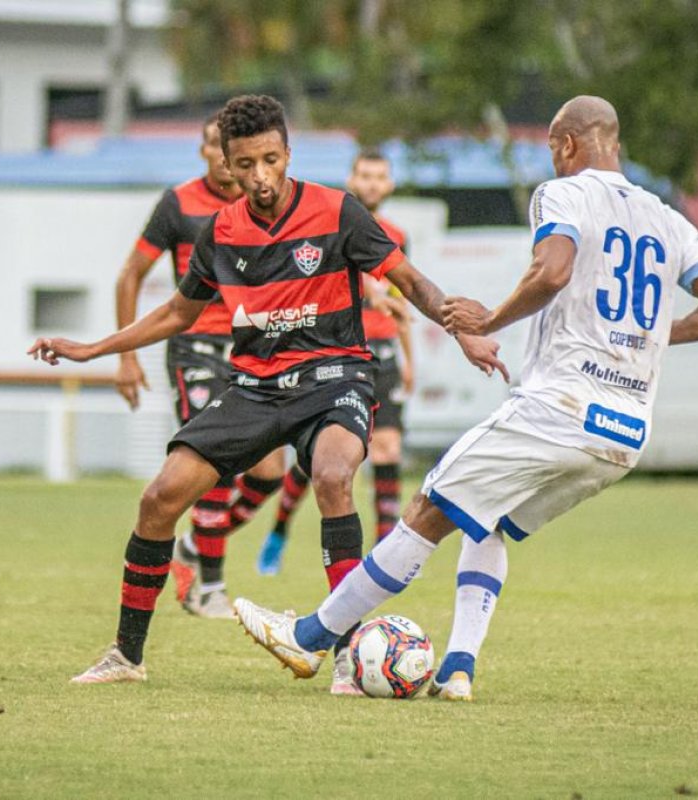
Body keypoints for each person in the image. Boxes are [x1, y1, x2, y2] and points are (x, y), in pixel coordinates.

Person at [233, 95, 698, 701]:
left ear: (565, 146)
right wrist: (648, 336)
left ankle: (311, 635)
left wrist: (492, 321)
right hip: (625, 431)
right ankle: (457, 670)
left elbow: (552, 271)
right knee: (486, 523)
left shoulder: (563, 194)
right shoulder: (669, 218)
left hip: (559, 408)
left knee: (429, 506)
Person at [28, 94, 505, 690]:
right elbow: (179, 312)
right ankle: (126, 656)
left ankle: (348, 656)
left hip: (335, 376)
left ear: (287, 154)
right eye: (245, 164)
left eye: (270, 160)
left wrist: (459, 327)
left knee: (332, 476)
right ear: (225, 163)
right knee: (159, 499)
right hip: (254, 385)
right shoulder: (220, 232)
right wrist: (97, 349)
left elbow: (408, 280)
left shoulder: (338, 211)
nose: (259, 177)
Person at [114, 114, 287, 619]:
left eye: (225, 146)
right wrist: (126, 357)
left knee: (269, 473)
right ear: (205, 150)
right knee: (212, 466)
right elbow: (130, 276)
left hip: (252, 348)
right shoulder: (179, 204)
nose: (220, 156)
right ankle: (209, 587)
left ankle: (194, 545)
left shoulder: (263, 203)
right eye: (212, 145)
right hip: (196, 347)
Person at [256, 150, 415, 575]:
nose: (371, 183)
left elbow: (402, 296)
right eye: (364, 175)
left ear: (390, 184)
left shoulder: (398, 235)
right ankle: (279, 530)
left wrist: (409, 356)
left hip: (382, 355)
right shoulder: (329, 221)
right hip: (335, 353)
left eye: (379, 176)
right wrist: (370, 293)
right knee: (319, 460)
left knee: (388, 448)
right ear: (351, 178)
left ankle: (385, 556)